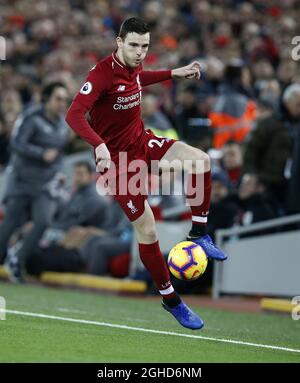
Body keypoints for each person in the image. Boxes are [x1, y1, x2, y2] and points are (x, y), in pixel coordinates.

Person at [66, 17, 227, 330]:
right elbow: (74, 113)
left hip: (141, 140)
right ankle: (171, 299)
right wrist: (97, 145)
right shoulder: (101, 74)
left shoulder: (133, 66)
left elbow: (141, 78)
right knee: (148, 230)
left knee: (201, 160)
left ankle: (199, 233)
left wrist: (174, 73)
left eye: (144, 46)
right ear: (119, 42)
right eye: (134, 45)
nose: (140, 52)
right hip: (118, 163)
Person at [1, 82, 70, 281]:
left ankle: (17, 259)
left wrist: (59, 173)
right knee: (9, 225)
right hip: (22, 180)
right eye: (58, 98)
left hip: (44, 184)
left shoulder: (63, 125)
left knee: (44, 221)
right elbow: (16, 143)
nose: (61, 103)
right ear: (46, 98)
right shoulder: (31, 118)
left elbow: (58, 155)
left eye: (64, 100)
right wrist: (41, 154)